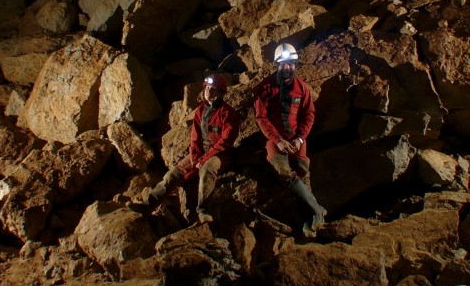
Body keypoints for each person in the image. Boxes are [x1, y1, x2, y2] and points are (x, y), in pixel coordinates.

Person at [132, 73, 240, 224]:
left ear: (221, 92)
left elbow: (225, 142)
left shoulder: (228, 113)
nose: (208, 91)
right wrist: (195, 156)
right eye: (207, 88)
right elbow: (195, 138)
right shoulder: (200, 110)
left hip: (221, 154)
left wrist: (203, 160)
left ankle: (203, 210)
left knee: (207, 170)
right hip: (201, 151)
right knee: (173, 174)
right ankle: (147, 205)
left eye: (213, 89)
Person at [254, 42, 326, 237]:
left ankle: (311, 216)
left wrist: (300, 139)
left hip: (296, 140)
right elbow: (261, 117)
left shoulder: (301, 88)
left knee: (302, 169)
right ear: (277, 65)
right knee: (285, 171)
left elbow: (309, 115)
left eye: (291, 64)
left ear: (295, 64)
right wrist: (277, 140)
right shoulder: (266, 87)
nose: (288, 68)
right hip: (275, 141)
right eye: (284, 64)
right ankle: (317, 211)